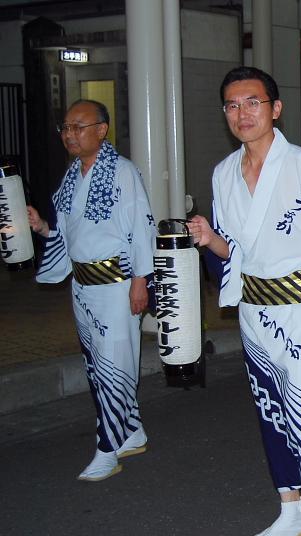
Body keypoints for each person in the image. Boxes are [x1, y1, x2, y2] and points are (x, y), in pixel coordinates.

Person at [187, 67, 301, 536]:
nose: (243, 113)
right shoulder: (223, 174)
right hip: (255, 312)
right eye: (233, 105)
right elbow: (235, 253)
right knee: (270, 409)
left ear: (275, 108)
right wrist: (209, 239)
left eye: (253, 102)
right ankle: (289, 507)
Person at [27, 99, 155, 481]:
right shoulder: (73, 176)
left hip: (116, 285)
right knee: (97, 367)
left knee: (115, 365)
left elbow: (141, 227)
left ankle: (107, 448)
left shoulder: (122, 172)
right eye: (65, 127)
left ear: (102, 130)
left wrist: (139, 283)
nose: (70, 134)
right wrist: (43, 229)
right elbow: (70, 233)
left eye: (78, 126)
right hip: (82, 285)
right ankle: (131, 431)